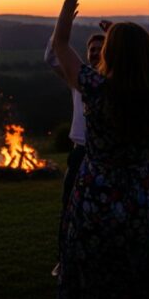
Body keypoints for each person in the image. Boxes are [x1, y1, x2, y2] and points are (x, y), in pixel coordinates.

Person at [52, 0, 149, 299]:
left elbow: (60, 45)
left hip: (96, 191)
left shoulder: (94, 85)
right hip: (140, 191)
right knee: (134, 275)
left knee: (92, 272)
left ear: (109, 52)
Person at [44, 18, 108, 277]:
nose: (94, 52)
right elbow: (50, 58)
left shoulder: (113, 81)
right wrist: (63, 25)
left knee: (103, 211)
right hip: (80, 150)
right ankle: (64, 259)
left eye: (100, 49)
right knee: (69, 207)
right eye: (91, 49)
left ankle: (100, 259)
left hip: (106, 155)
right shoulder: (78, 78)